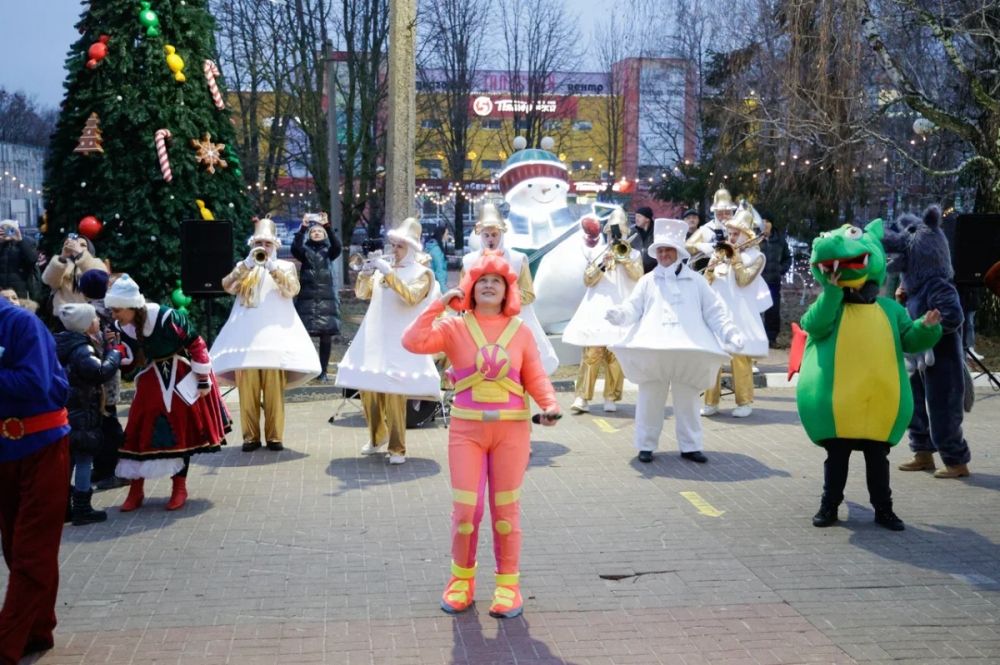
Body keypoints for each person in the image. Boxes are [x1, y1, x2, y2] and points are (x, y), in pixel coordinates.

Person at [402, 251, 560, 618]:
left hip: (512, 431)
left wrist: (549, 404)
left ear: (508, 290)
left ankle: (508, 586)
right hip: (466, 431)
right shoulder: (454, 326)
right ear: (471, 287)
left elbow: (534, 375)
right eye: (483, 280)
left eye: (498, 281)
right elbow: (412, 342)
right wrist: (437, 306)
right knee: (465, 513)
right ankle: (461, 581)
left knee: (506, 513)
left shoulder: (520, 331)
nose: (489, 285)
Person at [797, 220, 941, 531]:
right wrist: (832, 292)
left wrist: (927, 328)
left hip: (876, 402)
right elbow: (815, 324)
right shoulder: (830, 306)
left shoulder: (890, 310)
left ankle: (884, 509)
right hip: (839, 404)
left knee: (878, 460)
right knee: (837, 459)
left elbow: (911, 340)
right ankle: (829, 506)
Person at [606, 218, 744, 464]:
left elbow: (715, 312)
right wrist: (619, 315)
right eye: (660, 250)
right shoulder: (648, 281)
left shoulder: (696, 281)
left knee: (688, 399)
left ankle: (691, 446)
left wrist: (730, 333)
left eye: (668, 249)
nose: (663, 254)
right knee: (649, 398)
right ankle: (645, 445)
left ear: (678, 252)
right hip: (653, 349)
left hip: (687, 349)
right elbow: (633, 308)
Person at [106, 274, 230, 511]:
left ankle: (179, 488)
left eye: (117, 310)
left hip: (181, 375)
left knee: (179, 431)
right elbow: (131, 363)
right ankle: (136, 489)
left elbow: (196, 343)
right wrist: (117, 351)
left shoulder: (166, 316)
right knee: (137, 429)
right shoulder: (121, 326)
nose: (114, 315)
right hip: (152, 377)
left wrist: (203, 379)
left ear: (132, 306)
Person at [335, 218, 442, 464]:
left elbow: (412, 297)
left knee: (395, 392)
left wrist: (389, 273)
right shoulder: (385, 270)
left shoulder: (423, 273)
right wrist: (364, 274)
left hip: (401, 340)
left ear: (413, 248)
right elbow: (363, 294)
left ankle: (397, 448)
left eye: (400, 246)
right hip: (375, 338)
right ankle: (376, 437)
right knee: (369, 386)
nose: (394, 250)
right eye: (393, 244)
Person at [0, 290, 71, 661]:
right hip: (5, 453)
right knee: (15, 547)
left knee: (30, 552)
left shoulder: (20, 323)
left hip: (42, 446)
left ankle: (7, 644)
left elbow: (34, 383)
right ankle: (38, 629)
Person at [212, 218, 321, 452]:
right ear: (252, 244)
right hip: (246, 339)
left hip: (275, 340)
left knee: (273, 392)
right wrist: (246, 265)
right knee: (247, 391)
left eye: (267, 243)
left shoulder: (285, 266)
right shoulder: (245, 266)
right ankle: (250, 436)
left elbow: (292, 289)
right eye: (259, 242)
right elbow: (227, 286)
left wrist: (272, 267)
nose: (263, 246)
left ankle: (274, 436)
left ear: (275, 244)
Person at [884, 206, 972, 479]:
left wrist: (931, 326)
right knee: (915, 407)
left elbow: (954, 316)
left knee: (943, 409)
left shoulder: (937, 284)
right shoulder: (915, 288)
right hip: (918, 360)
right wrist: (902, 301)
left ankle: (956, 461)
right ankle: (922, 454)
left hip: (941, 359)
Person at [462, 204, 559, 375]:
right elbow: (464, 297)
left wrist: (505, 297)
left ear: (501, 234)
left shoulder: (517, 259)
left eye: (494, 234)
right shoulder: (469, 262)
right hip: (481, 328)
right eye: (486, 235)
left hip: (513, 328)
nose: (490, 239)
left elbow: (529, 295)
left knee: (517, 377)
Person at [563, 210, 643, 414]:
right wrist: (602, 264)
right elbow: (587, 279)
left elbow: (639, 276)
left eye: (619, 234)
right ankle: (582, 397)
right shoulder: (596, 252)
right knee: (591, 352)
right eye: (611, 234)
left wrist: (624, 260)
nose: (615, 238)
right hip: (597, 309)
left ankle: (611, 396)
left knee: (615, 355)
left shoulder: (634, 254)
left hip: (621, 309)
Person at [54, 303, 122, 525]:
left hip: (68, 410)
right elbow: (100, 371)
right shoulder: (82, 349)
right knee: (84, 458)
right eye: (94, 319)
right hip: (82, 410)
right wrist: (114, 353)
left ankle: (63, 507)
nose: (99, 321)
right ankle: (82, 507)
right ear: (84, 325)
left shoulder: (62, 343)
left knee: (70, 459)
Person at [701, 207, 772, 418]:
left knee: (740, 358)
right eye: (730, 233)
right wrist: (711, 267)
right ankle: (710, 402)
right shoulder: (720, 253)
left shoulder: (757, 257)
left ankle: (744, 401)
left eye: (735, 234)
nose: (731, 237)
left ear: (745, 236)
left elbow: (743, 281)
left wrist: (736, 258)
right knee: (713, 357)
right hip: (718, 314)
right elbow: (706, 283)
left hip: (741, 314)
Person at [77, 269, 126, 489]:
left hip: (94, 379)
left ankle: (101, 468)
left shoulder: (86, 312)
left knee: (101, 424)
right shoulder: (112, 310)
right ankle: (110, 471)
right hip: (106, 377)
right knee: (109, 426)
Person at [290, 213, 343, 383]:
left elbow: (338, 246)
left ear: (325, 234)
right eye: (313, 231)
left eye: (320, 231)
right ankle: (307, 369)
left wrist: (327, 224)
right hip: (307, 297)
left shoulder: (329, 251)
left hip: (326, 297)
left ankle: (323, 370)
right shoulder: (304, 251)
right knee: (303, 336)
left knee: (325, 336)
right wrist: (303, 227)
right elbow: (294, 248)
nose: (317, 233)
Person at [41, 232, 108, 312]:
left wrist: (80, 254)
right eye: (74, 244)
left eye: (83, 245)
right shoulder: (63, 264)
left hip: (88, 314)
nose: (76, 246)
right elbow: (49, 281)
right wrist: (62, 257)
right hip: (64, 315)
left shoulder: (95, 262)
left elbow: (99, 279)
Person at [758, 212, 793, 347]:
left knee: (773, 311)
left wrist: (780, 269)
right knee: (756, 311)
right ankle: (757, 339)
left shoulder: (780, 239)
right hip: (757, 282)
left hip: (773, 281)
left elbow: (787, 258)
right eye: (762, 221)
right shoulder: (754, 239)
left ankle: (771, 339)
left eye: (768, 221)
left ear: (772, 224)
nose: (765, 224)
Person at [686, 188, 738, 271]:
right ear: (715, 213)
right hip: (713, 273)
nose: (724, 216)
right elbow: (688, 246)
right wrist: (708, 247)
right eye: (720, 214)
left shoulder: (739, 227)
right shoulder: (706, 229)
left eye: (727, 213)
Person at [0, 220, 39, 302]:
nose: (6, 232)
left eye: (10, 229)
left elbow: (32, 260)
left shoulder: (26, 242)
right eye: (3, 230)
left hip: (20, 291)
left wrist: (20, 240)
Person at [630, 206, 657, 274]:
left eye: (639, 216)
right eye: (636, 216)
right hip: (634, 270)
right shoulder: (631, 231)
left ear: (647, 219)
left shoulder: (656, 232)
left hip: (653, 271)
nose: (636, 219)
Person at [425, 224, 450, 291]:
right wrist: (444, 291)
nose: (448, 236)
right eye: (447, 234)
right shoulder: (436, 250)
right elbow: (439, 271)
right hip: (436, 287)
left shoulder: (433, 248)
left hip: (432, 285)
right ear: (442, 235)